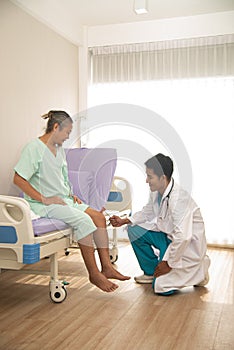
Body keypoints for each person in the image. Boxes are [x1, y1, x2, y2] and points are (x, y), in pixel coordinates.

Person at [14, 110, 130, 293]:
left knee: (99, 218)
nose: (68, 137)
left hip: (65, 200)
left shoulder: (58, 150)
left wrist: (70, 194)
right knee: (84, 221)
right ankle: (93, 274)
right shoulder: (33, 148)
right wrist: (44, 198)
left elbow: (62, 177)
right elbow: (18, 179)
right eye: (67, 132)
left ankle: (107, 267)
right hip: (45, 205)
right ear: (55, 127)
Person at [110, 153, 210, 296]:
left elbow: (183, 237)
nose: (146, 180)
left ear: (163, 178)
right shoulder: (157, 191)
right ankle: (151, 272)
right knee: (134, 229)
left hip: (185, 245)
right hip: (167, 236)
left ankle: (201, 271)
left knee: (162, 288)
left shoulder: (178, 199)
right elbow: (148, 211)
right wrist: (124, 220)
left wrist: (168, 263)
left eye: (150, 176)